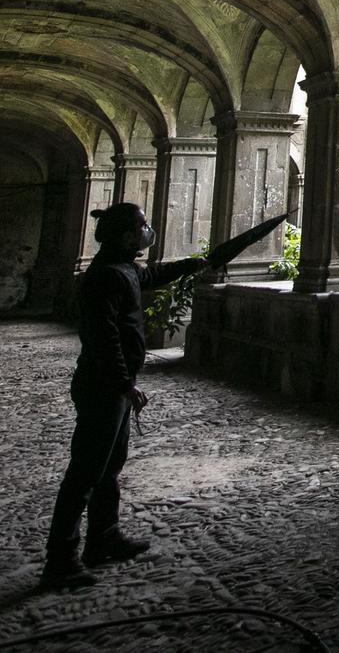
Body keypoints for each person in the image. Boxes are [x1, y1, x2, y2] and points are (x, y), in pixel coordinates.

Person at [40, 200, 214, 589]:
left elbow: (151, 274)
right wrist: (125, 384)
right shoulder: (106, 277)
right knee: (85, 472)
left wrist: (195, 263)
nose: (147, 230)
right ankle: (61, 560)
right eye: (142, 225)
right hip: (103, 385)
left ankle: (103, 537)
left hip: (109, 384)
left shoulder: (120, 269)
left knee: (108, 467)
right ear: (125, 235)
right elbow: (104, 341)